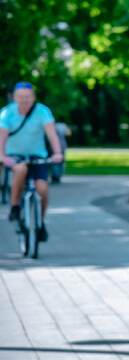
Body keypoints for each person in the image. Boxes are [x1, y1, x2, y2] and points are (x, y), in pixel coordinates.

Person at [0, 82, 64, 241]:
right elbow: (2, 137)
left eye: (28, 97)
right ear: (14, 98)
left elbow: (52, 134)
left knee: (42, 188)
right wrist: (2, 156)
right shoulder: (7, 113)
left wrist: (57, 152)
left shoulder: (42, 111)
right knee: (20, 170)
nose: (24, 100)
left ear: (33, 97)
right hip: (15, 155)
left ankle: (40, 223)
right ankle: (15, 207)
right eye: (21, 97)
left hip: (37, 155)